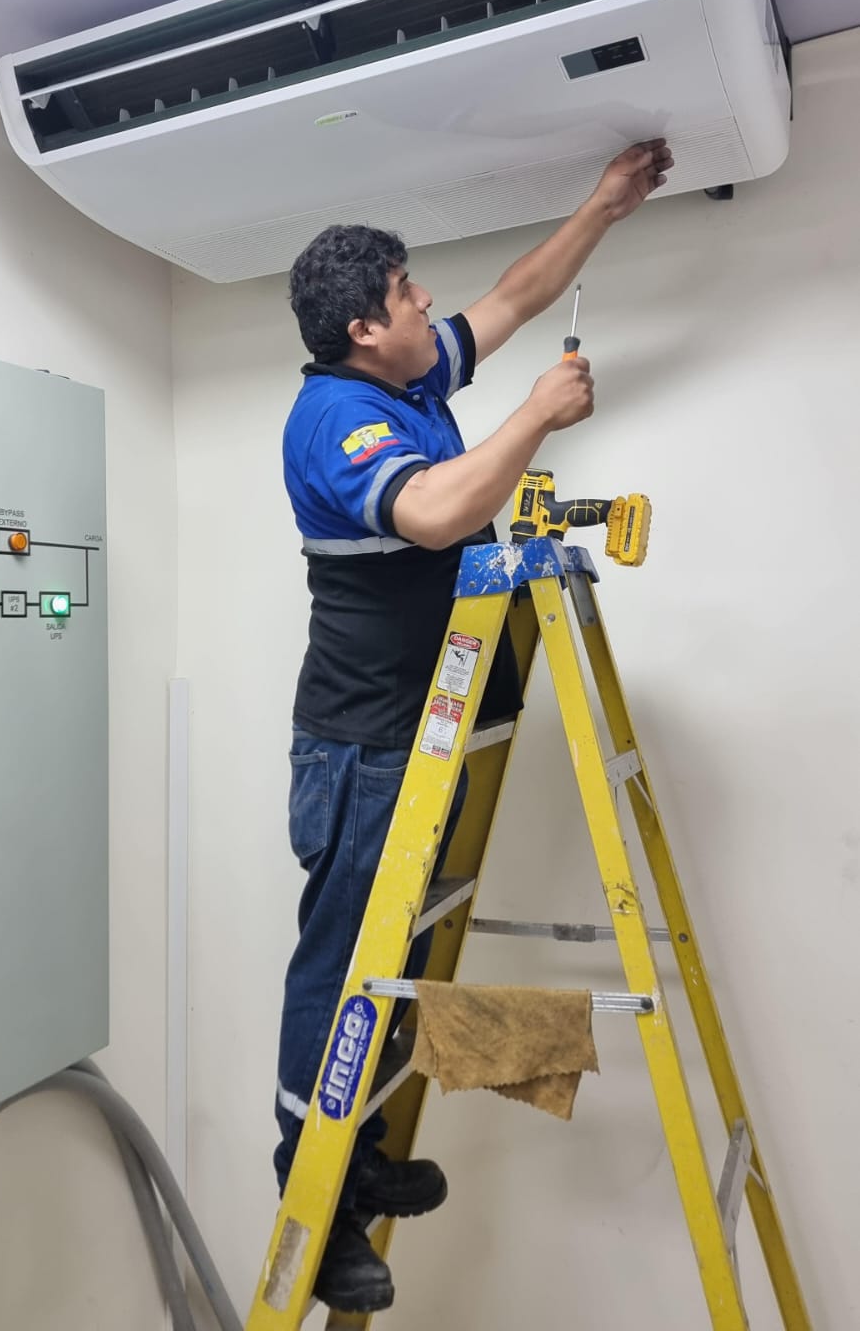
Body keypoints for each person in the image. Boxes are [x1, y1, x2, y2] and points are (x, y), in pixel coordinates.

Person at [275, 140, 673, 1313]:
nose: (427, 303)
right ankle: (314, 1193)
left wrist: (602, 207)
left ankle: (361, 1152)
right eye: (406, 293)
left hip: (421, 729)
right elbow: (436, 511)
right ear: (363, 327)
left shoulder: (404, 381)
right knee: (343, 968)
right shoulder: (336, 418)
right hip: (361, 745)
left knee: (395, 957)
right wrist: (537, 415)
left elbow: (512, 296)